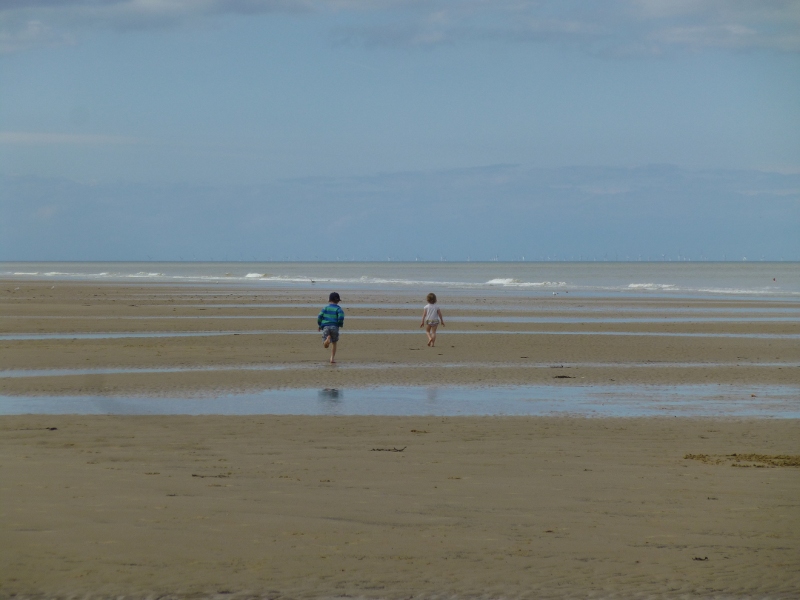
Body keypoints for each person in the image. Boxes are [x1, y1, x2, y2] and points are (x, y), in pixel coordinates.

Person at [318, 292, 345, 363]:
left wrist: (320, 325)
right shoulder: (338, 309)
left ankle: (327, 340)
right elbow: (341, 317)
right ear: (338, 301)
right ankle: (332, 358)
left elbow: (319, 316)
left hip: (325, 326)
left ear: (329, 300)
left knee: (325, 345)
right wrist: (340, 324)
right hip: (334, 327)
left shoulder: (325, 308)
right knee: (334, 343)